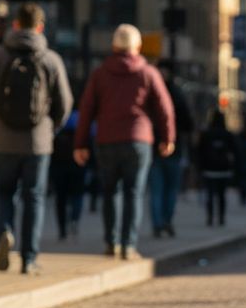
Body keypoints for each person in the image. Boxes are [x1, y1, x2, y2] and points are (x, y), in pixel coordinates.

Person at [0, 2, 73, 274]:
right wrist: (50, 128)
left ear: (15, 24)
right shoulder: (50, 59)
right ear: (40, 27)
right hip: (38, 142)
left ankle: (4, 233)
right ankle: (29, 258)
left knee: (4, 192)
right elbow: (65, 104)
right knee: (34, 197)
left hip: (3, 140)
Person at [73, 24, 175, 260]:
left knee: (110, 192)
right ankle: (128, 244)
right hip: (138, 140)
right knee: (133, 192)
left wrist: (80, 144)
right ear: (137, 47)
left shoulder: (100, 73)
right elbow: (165, 109)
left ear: (114, 47)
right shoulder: (148, 73)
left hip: (107, 139)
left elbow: (86, 110)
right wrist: (167, 138)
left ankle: (111, 241)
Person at [148, 59, 194, 238]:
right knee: (167, 189)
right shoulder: (177, 94)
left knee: (160, 189)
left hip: (160, 147)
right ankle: (163, 222)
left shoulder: (152, 93)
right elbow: (188, 123)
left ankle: (160, 222)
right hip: (171, 147)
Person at [49, 109, 86, 240]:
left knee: (61, 197)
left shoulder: (56, 118)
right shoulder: (81, 117)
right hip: (77, 156)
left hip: (58, 158)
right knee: (77, 194)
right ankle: (74, 220)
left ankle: (62, 228)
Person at [197, 110, 237, 225]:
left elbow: (200, 151)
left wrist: (200, 166)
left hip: (209, 168)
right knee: (221, 195)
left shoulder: (207, 134)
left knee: (209, 194)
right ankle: (221, 217)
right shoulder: (227, 134)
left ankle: (210, 217)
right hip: (223, 169)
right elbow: (235, 151)